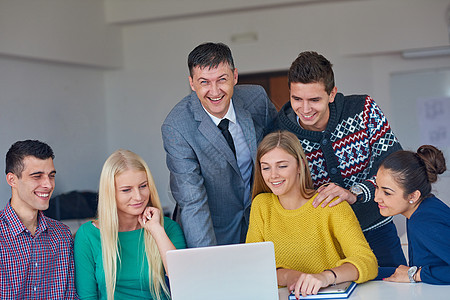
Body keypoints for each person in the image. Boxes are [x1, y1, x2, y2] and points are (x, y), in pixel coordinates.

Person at [274, 51, 406, 268]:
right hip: (325, 242)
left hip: (376, 230)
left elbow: (394, 167)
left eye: (314, 100)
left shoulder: (364, 110)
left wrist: (355, 193)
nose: (305, 109)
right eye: (297, 99)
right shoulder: (280, 134)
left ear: (332, 93)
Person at [161, 42, 277, 247]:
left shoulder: (256, 99)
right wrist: (207, 260)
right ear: (192, 83)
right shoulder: (177, 127)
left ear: (235, 76)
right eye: (204, 82)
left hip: (264, 223)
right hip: (212, 229)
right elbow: (192, 201)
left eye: (222, 79)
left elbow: (283, 151)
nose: (214, 91)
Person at [246, 131, 377, 298]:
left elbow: (368, 262)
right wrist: (290, 276)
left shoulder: (331, 204)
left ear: (300, 165)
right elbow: (254, 267)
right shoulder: (261, 205)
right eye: (266, 167)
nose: (273, 175)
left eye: (282, 166)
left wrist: (325, 277)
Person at [74, 150, 186, 300]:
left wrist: (156, 230)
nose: (138, 196)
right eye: (126, 190)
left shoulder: (168, 229)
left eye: (143, 186)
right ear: (110, 193)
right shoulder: (88, 235)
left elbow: (184, 282)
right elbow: (87, 296)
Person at [0, 140, 77, 299]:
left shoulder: (62, 235)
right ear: (12, 180)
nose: (48, 185)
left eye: (51, 176)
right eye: (37, 176)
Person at [375, 145, 450, 285]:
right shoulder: (424, 208)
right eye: (377, 187)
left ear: (413, 195)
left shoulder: (423, 223)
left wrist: (416, 274)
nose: (377, 198)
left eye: (387, 193)